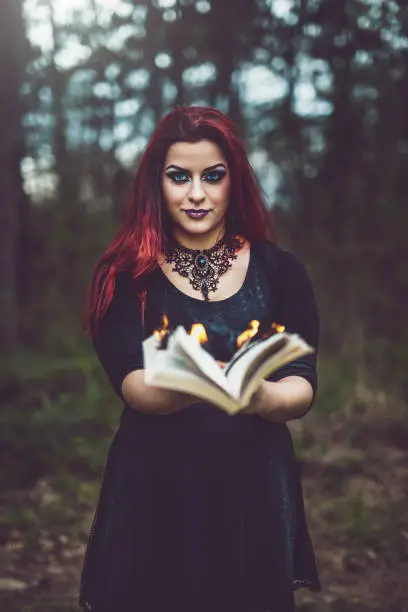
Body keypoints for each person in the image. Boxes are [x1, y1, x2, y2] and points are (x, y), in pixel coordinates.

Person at [79, 106, 321, 612]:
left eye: (213, 176)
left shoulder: (281, 271)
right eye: (178, 177)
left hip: (252, 485)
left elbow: (302, 382)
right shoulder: (124, 275)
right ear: (155, 183)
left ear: (233, 180)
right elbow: (135, 387)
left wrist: (262, 395)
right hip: (157, 484)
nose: (196, 194)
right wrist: (191, 380)